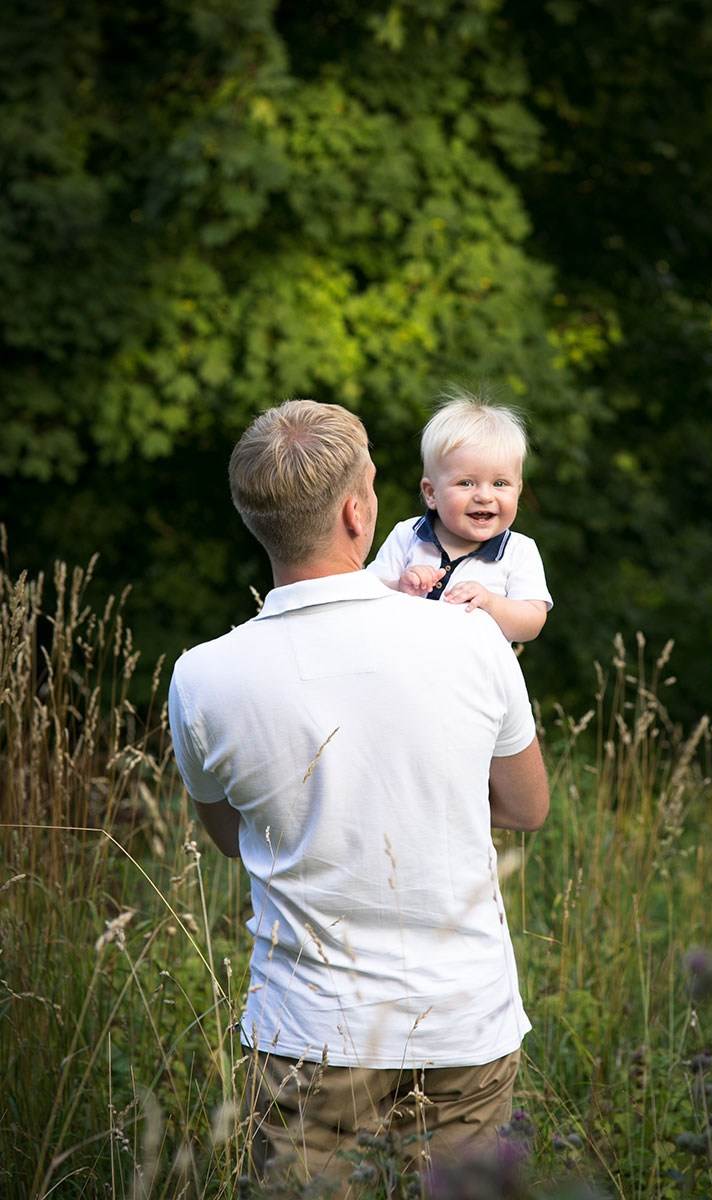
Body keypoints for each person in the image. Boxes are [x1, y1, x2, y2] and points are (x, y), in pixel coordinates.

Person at [168, 399, 550, 1187]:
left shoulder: (202, 675)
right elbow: (526, 808)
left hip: (308, 1036)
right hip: (462, 1022)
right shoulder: (471, 637)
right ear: (357, 509)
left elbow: (232, 834)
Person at [367, 392, 552, 644]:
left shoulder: (518, 551)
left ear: (518, 490)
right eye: (466, 483)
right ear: (431, 493)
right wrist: (402, 589)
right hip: (407, 673)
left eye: (500, 483)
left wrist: (491, 602)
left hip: (474, 681)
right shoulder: (408, 535)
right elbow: (368, 601)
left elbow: (531, 622)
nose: (485, 496)